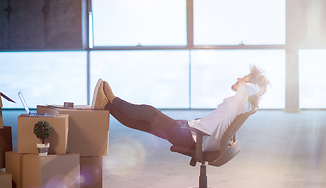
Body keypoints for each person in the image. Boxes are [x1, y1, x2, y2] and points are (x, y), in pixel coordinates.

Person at [91, 64, 270, 153]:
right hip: (191, 129)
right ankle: (106, 105)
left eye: (244, 78)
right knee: (143, 123)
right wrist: (248, 82)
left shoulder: (243, 103)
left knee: (147, 111)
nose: (239, 79)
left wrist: (250, 84)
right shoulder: (243, 104)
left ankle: (113, 100)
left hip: (193, 138)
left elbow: (247, 89)